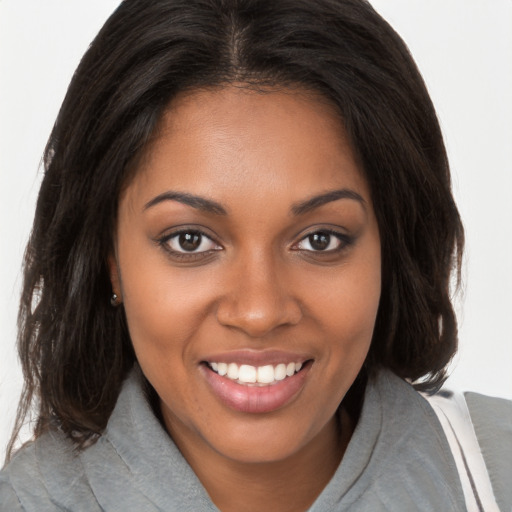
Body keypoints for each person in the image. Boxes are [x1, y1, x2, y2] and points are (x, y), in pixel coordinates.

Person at [1, 0, 510, 510]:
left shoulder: (496, 471)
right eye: (190, 240)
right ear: (109, 259)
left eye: (320, 239)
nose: (260, 312)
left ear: (390, 248)